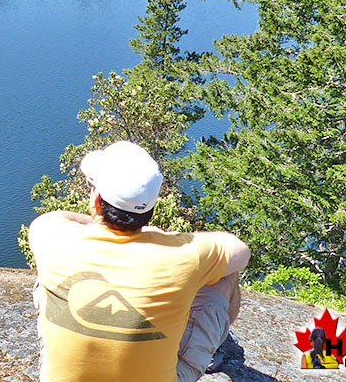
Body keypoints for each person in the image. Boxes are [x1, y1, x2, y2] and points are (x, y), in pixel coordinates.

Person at [28, 141, 250, 382]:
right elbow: (240, 251)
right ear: (151, 209)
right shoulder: (185, 254)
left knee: (48, 278)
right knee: (225, 274)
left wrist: (99, 221)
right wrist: (165, 236)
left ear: (96, 201)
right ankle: (207, 348)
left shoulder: (50, 235)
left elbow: (55, 217)